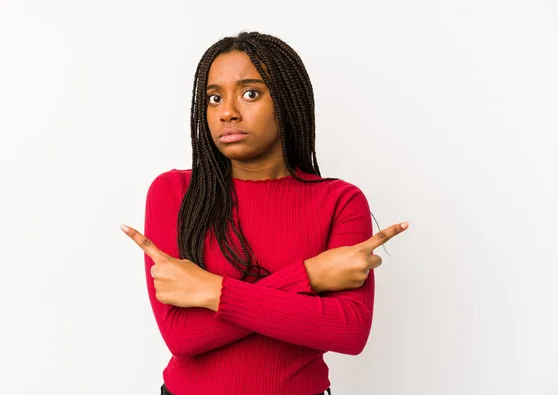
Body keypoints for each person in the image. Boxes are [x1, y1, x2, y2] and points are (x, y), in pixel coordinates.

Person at [121, 31, 409, 395]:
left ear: (287, 101)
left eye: (250, 93)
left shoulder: (340, 200)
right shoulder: (175, 192)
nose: (227, 112)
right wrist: (310, 276)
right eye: (213, 98)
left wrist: (210, 291)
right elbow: (182, 336)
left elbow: (349, 331)